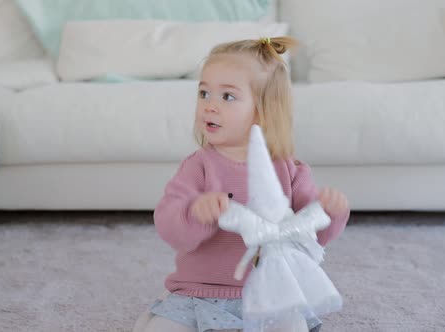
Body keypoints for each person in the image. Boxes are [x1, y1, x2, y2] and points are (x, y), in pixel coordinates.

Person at [133, 36, 350, 332]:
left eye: (227, 97)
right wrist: (197, 213)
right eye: (204, 93)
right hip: (200, 292)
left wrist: (330, 212)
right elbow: (168, 226)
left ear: (262, 110)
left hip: (271, 295)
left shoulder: (290, 169)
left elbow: (310, 238)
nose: (209, 106)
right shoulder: (199, 166)